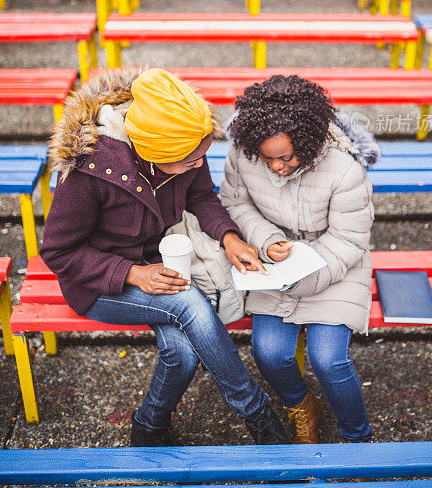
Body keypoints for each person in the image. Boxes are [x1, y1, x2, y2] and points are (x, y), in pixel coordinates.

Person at [40, 67, 290, 447]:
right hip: (100, 283)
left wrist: (229, 237)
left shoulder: (186, 139)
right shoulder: (89, 170)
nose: (198, 164)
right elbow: (59, 251)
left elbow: (201, 196)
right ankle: (256, 413)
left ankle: (148, 426)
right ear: (155, 155)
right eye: (190, 161)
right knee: (188, 302)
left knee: (183, 353)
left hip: (159, 263)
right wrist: (131, 273)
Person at [220, 74, 379, 444]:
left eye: (285, 157)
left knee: (329, 360)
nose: (276, 167)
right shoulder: (243, 152)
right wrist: (266, 239)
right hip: (273, 262)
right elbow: (235, 202)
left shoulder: (344, 167)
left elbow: (349, 239)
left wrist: (303, 276)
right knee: (269, 353)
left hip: (335, 265)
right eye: (267, 158)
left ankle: (358, 437)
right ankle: (302, 405)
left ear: (306, 143)